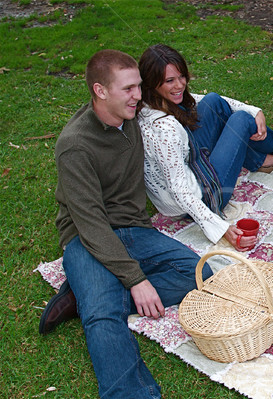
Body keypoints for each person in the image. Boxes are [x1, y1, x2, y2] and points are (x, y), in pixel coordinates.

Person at [38, 49, 211, 399]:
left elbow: (198, 100)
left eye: (139, 87)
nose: (139, 96)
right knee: (103, 317)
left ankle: (84, 295)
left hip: (134, 228)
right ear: (100, 91)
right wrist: (136, 280)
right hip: (86, 237)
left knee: (200, 274)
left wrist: (251, 113)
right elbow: (91, 225)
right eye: (129, 89)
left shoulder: (132, 114)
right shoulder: (74, 146)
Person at [136, 44, 273, 249]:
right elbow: (178, 188)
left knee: (214, 102)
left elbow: (198, 99)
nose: (179, 85)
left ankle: (261, 158)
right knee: (241, 120)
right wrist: (220, 229)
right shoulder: (164, 129)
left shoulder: (147, 102)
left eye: (182, 77)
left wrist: (255, 111)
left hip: (192, 165)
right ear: (152, 83)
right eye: (170, 81)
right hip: (200, 196)